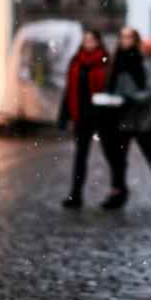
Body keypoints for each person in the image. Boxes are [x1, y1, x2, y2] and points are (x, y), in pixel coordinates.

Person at [103, 27, 151, 209]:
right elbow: (111, 86)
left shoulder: (144, 63)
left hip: (142, 117)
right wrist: (112, 99)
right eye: (122, 37)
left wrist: (132, 98)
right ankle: (118, 190)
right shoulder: (116, 63)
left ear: (135, 40)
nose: (125, 41)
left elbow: (149, 91)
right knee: (118, 157)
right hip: (121, 117)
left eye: (128, 37)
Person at [58, 29, 110, 209]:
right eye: (85, 39)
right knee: (80, 156)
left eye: (91, 39)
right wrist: (64, 115)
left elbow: (108, 87)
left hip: (102, 116)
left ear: (97, 41)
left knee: (111, 155)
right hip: (81, 116)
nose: (87, 42)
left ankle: (117, 190)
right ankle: (76, 194)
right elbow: (70, 89)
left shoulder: (104, 61)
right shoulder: (76, 61)